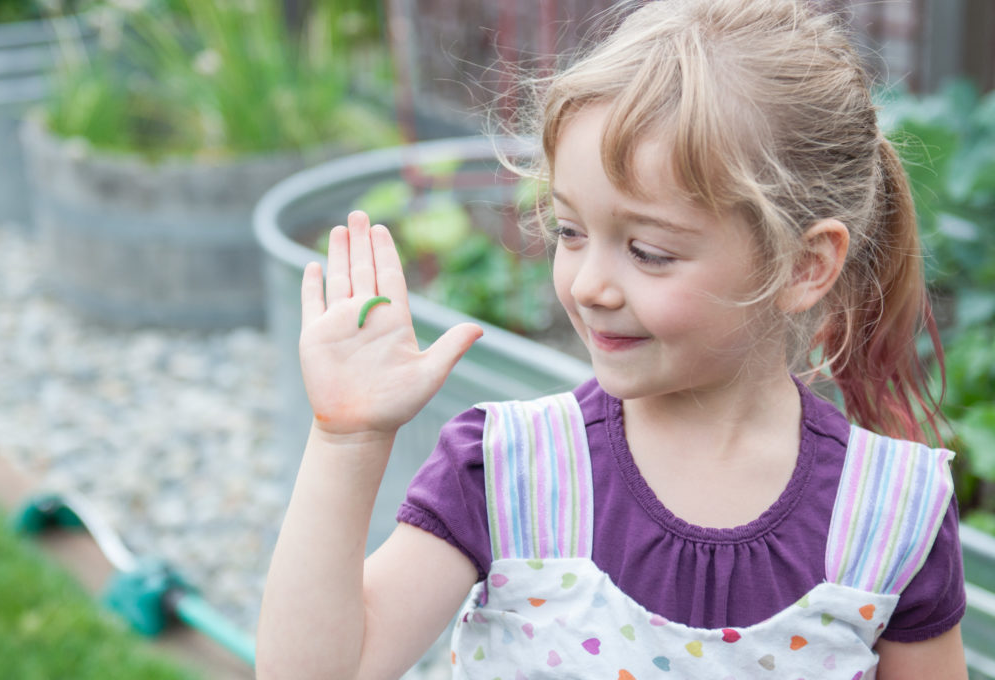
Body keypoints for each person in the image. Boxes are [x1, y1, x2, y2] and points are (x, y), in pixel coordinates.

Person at [256, 0, 968, 677]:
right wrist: (346, 440)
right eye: (570, 231)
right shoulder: (508, 473)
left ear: (805, 266)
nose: (590, 284)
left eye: (649, 251)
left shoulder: (892, 515)